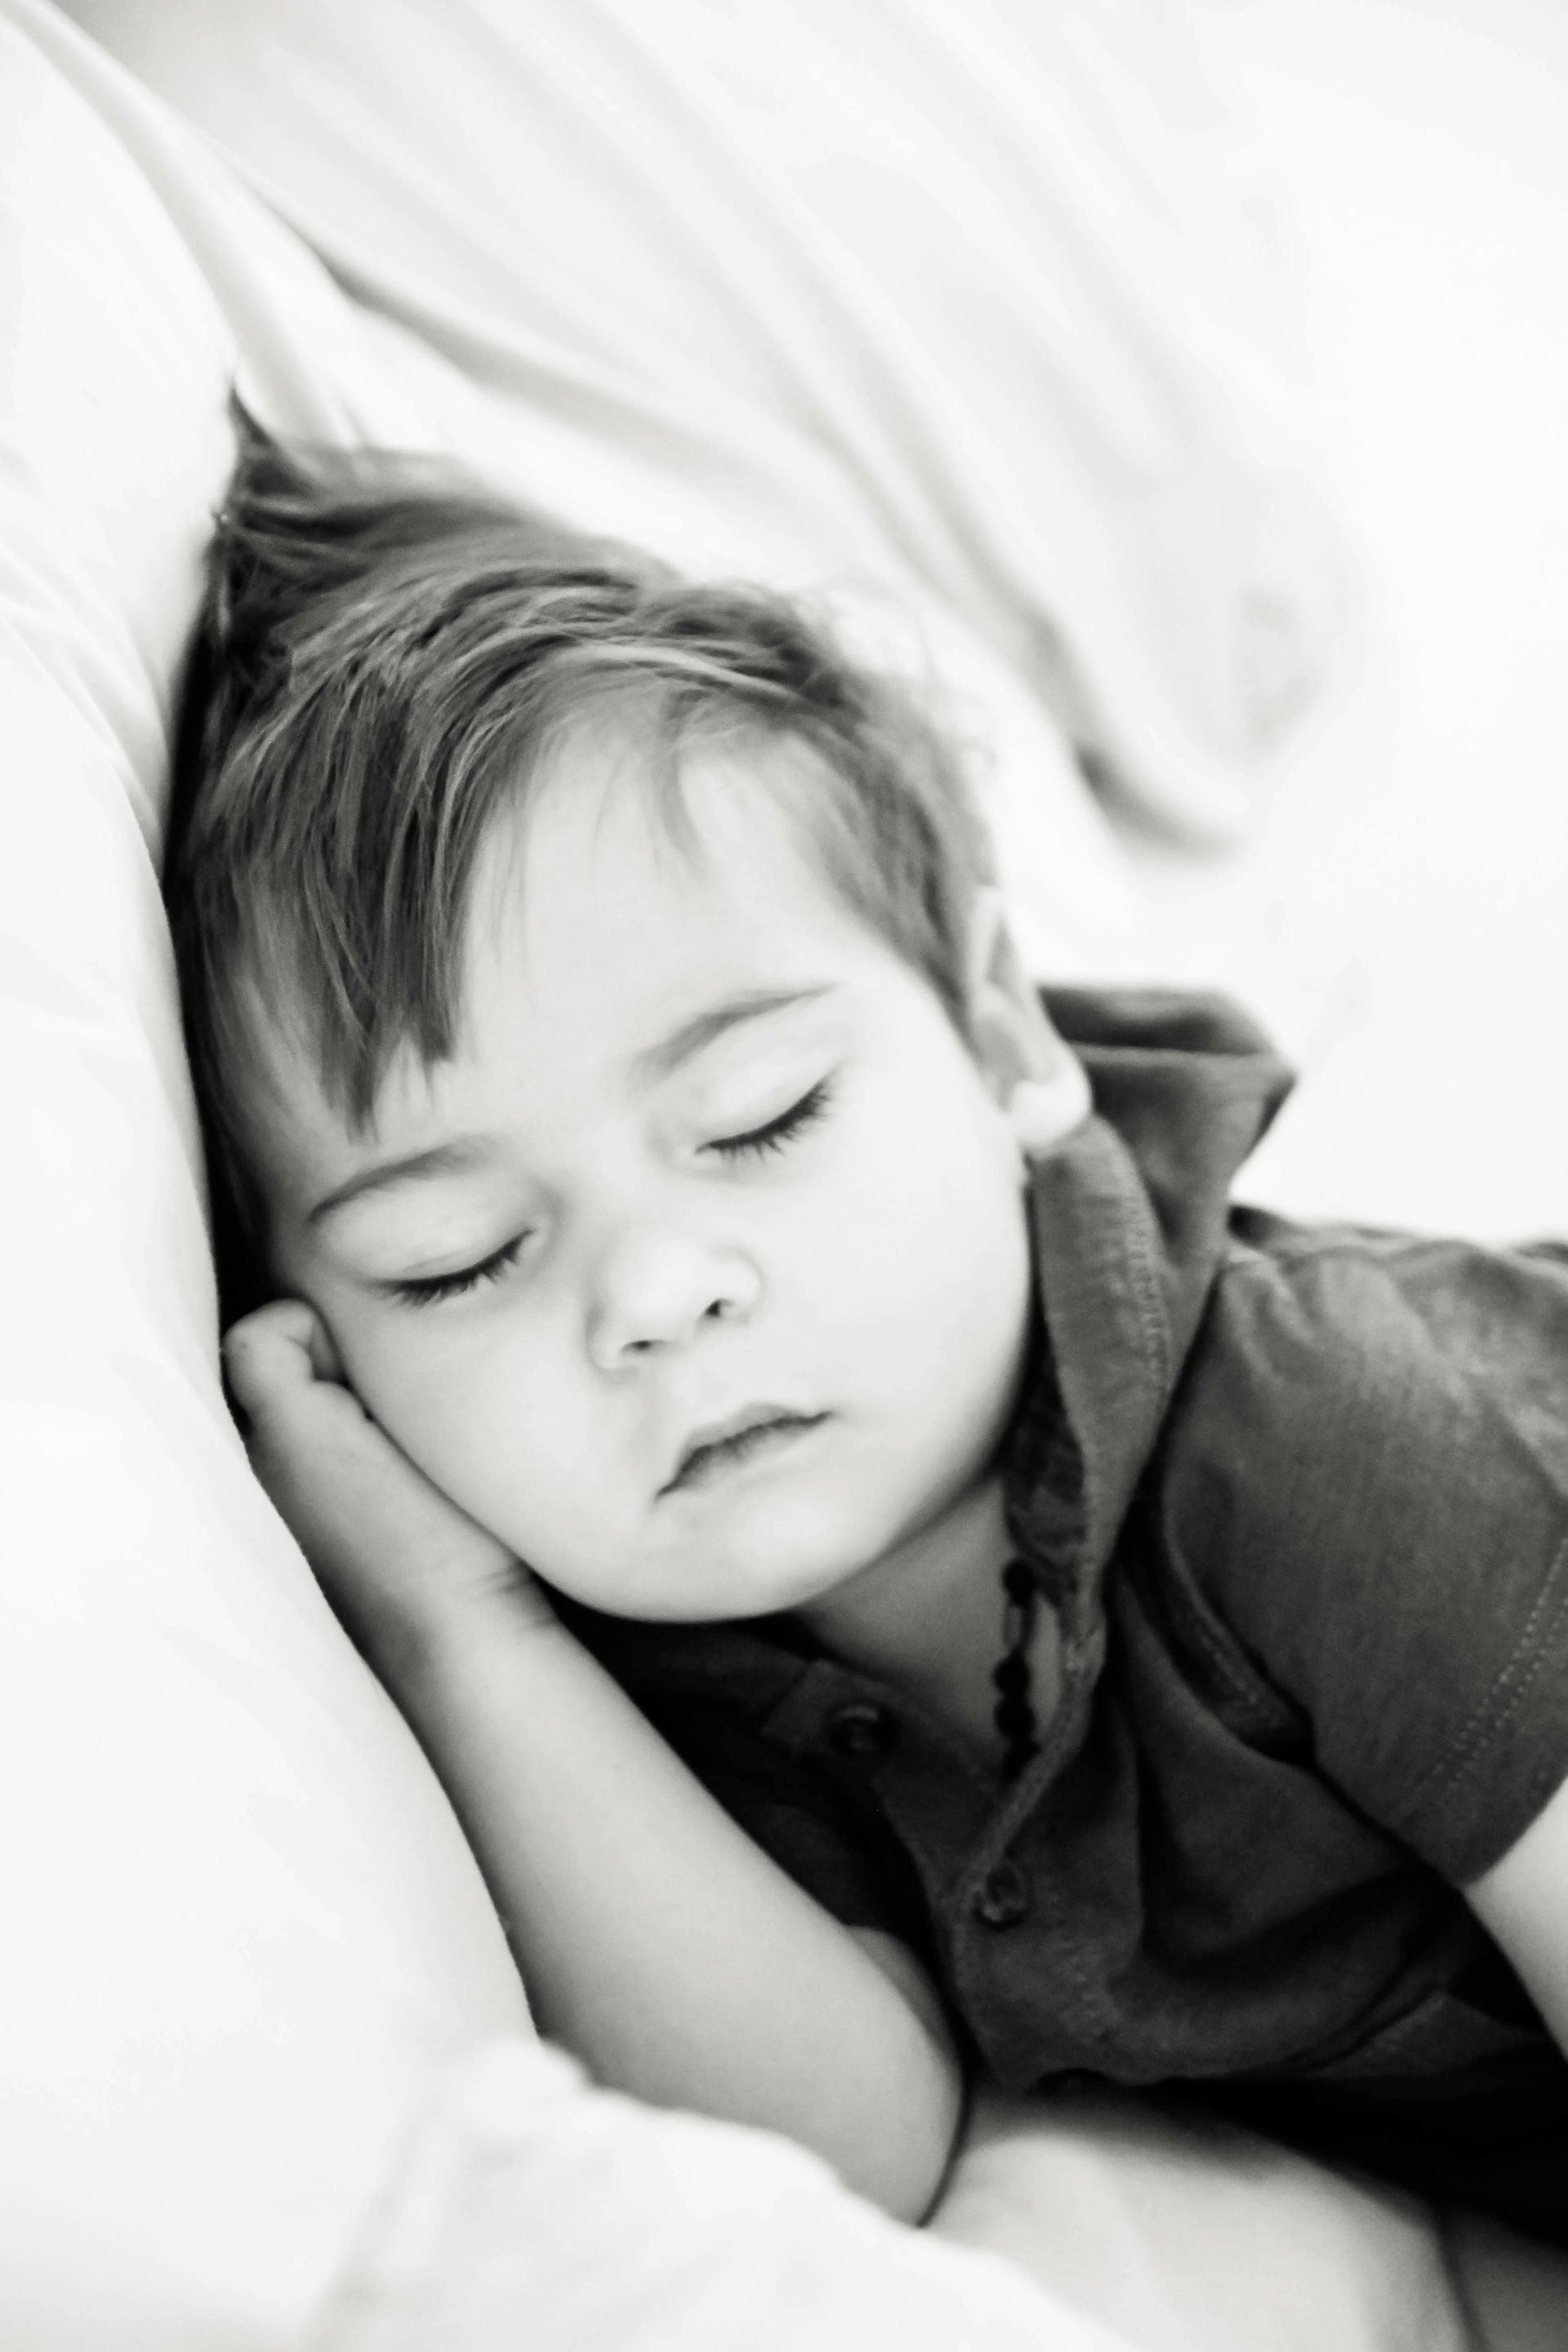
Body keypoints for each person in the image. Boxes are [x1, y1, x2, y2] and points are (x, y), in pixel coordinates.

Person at [166, 412, 1568, 2245]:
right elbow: (845, 2157)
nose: (659, 1295)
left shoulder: (1320, 1437)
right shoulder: (674, 1657)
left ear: (1001, 1039)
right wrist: (460, 1629)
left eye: (759, 1120)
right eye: (458, 1259)